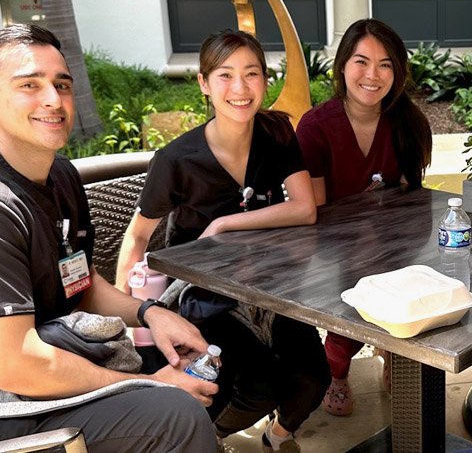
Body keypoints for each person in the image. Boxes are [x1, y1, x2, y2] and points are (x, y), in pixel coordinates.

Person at [0, 24, 217, 452]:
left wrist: (150, 313)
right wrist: (147, 385)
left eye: (62, 84)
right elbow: (19, 368)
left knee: (197, 366)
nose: (53, 100)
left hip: (20, 378)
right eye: (29, 85)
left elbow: (80, 284)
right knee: (173, 414)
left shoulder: (59, 177)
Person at [115, 29, 327, 452]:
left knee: (312, 378)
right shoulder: (177, 160)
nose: (240, 88)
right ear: (204, 84)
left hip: (271, 289)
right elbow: (137, 237)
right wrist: (133, 319)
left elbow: (305, 207)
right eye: (226, 76)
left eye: (251, 75)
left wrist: (226, 224)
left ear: (265, 81)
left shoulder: (278, 138)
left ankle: (277, 437)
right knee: (257, 385)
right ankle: (204, 439)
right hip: (204, 298)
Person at [296, 18, 433, 416]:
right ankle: (336, 371)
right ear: (342, 66)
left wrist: (386, 237)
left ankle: (393, 352)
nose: (372, 75)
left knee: (416, 290)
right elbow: (318, 209)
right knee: (356, 297)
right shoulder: (316, 126)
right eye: (361, 61)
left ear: (398, 71)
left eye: (385, 64)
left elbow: (411, 196)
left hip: (395, 239)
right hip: (332, 245)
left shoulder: (409, 123)